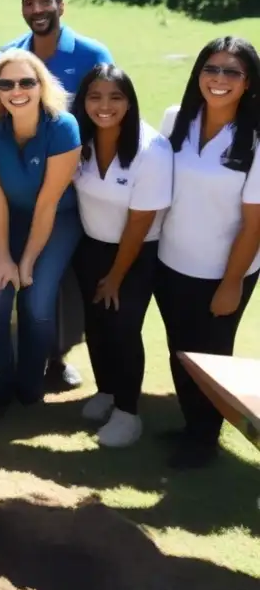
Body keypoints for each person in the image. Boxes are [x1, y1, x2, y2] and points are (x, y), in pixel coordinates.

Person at [155, 37, 260, 469]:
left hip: (224, 271)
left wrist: (231, 283)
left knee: (212, 358)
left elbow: (255, 224)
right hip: (171, 263)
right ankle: (191, 424)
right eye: (211, 69)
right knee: (180, 350)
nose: (219, 79)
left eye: (231, 72)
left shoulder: (255, 138)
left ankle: (204, 439)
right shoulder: (176, 119)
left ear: (249, 81)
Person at [5, 0, 114, 389]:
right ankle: (37, 356)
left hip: (77, 191)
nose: (38, 10)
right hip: (21, 191)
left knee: (68, 281)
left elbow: (112, 114)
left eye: (45, 1)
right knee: (34, 282)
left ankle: (59, 357)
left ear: (61, 5)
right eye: (30, 2)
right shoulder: (12, 55)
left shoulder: (91, 53)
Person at [0, 49, 83, 409]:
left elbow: (48, 203)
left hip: (56, 218)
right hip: (3, 216)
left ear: (41, 85)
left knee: (36, 300)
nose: (16, 90)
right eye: (6, 84)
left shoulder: (63, 127)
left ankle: (31, 383)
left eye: (26, 82)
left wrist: (28, 260)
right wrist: (3, 256)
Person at [70, 64, 172, 448]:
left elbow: (140, 221)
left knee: (123, 328)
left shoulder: (152, 150)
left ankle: (128, 414)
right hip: (90, 246)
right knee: (95, 323)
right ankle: (107, 392)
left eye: (115, 97)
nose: (104, 105)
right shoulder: (80, 140)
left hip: (135, 252)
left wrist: (115, 276)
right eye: (95, 96)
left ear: (129, 103)